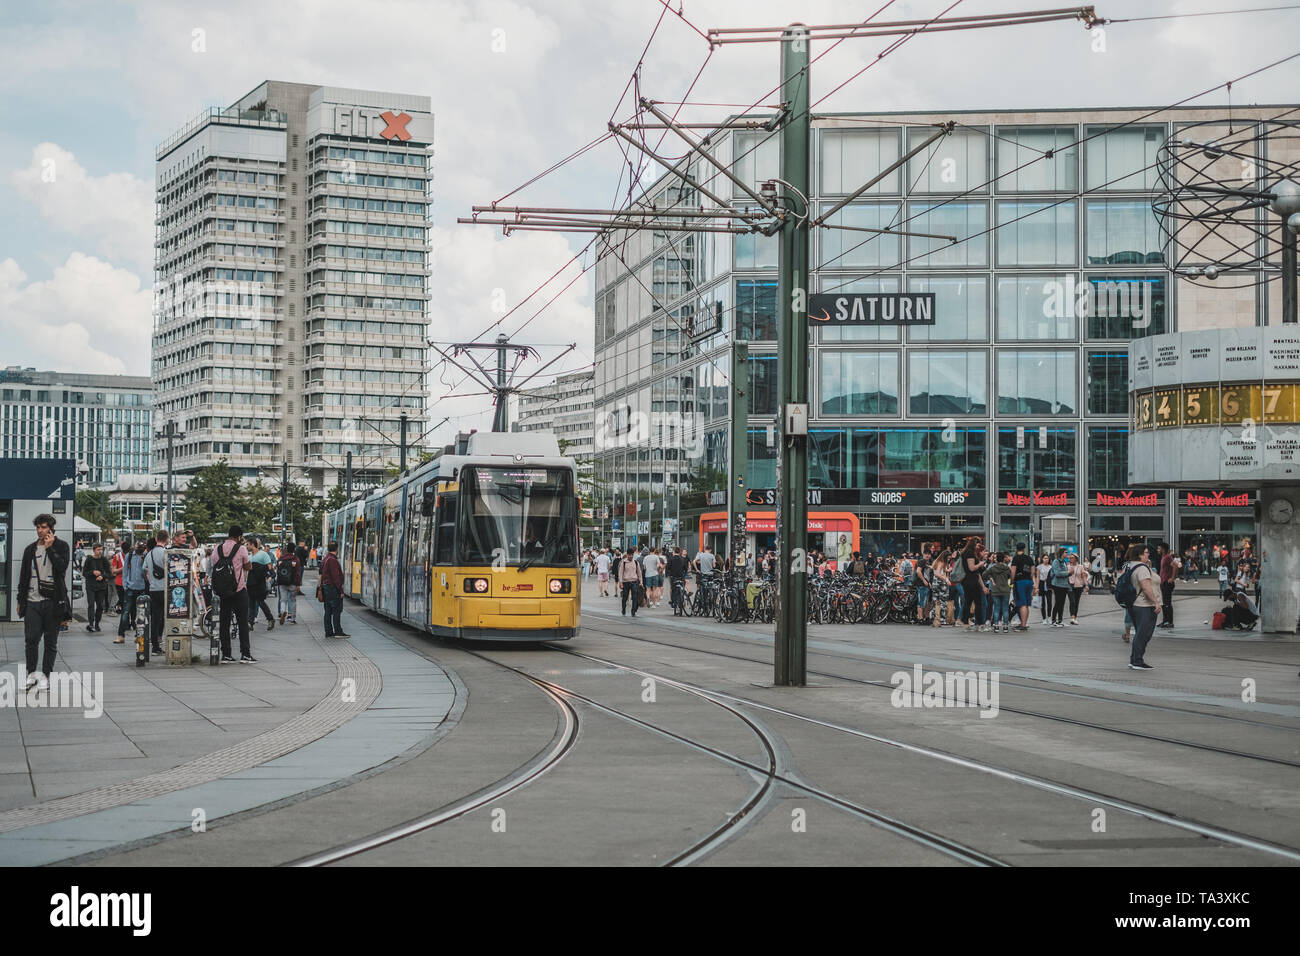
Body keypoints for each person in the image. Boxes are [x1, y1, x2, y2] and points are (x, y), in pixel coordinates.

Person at [17, 514, 71, 692]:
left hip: (52, 602)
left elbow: (62, 567)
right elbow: (24, 576)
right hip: (32, 601)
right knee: (31, 640)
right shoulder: (30, 549)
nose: (40, 530)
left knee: (50, 642)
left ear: (51, 528)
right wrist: (20, 600)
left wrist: (50, 548)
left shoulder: (62, 546)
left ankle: (46, 676)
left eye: (43, 527)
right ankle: (31, 675)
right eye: (38, 527)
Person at [213, 526, 255, 663]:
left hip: (223, 591)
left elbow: (212, 565)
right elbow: (249, 566)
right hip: (239, 590)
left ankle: (226, 654)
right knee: (242, 622)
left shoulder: (217, 549)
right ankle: (245, 654)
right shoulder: (241, 549)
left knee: (224, 623)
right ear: (239, 537)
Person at [1121, 543, 1161, 670]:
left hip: (1135, 604)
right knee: (1144, 634)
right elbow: (1145, 586)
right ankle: (1137, 661)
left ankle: (1135, 659)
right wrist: (1155, 602)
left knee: (1141, 633)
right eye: (1146, 552)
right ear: (1140, 554)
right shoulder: (1142, 568)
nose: (1148, 554)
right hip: (1145, 604)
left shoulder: (1131, 565)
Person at [116, 538, 148, 645]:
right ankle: (121, 635)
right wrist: (125, 585)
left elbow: (145, 573)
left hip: (141, 588)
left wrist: (144, 560)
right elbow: (125, 571)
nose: (141, 551)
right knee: (125, 612)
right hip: (130, 587)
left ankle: (138, 635)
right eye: (140, 549)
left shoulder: (145, 556)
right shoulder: (130, 555)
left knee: (140, 614)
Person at [145, 530, 169, 657]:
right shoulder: (166, 553)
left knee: (155, 617)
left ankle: (154, 645)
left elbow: (145, 570)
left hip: (153, 590)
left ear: (156, 538)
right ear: (167, 539)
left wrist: (151, 581)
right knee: (167, 617)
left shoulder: (149, 554)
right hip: (165, 589)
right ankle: (163, 640)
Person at [246, 538, 276, 631]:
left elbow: (270, 567)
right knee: (250, 603)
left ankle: (270, 618)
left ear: (252, 545)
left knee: (260, 602)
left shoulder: (263, 554)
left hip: (259, 582)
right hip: (250, 582)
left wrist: (270, 576)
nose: (246, 547)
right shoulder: (249, 556)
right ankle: (250, 623)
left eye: (248, 545)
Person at [320, 540, 348, 637]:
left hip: (326, 587)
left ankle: (328, 631)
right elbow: (336, 577)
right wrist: (340, 590)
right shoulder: (332, 560)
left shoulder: (325, 559)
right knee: (336, 610)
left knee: (328, 610)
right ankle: (338, 631)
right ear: (337, 549)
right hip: (332, 588)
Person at [82, 542, 112, 633]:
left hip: (101, 586)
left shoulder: (104, 560)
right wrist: (93, 572)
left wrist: (102, 576)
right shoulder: (89, 559)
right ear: (94, 550)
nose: (100, 551)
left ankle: (97, 624)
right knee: (91, 605)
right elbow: (84, 573)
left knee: (100, 606)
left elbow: (109, 573)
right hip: (90, 586)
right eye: (98, 550)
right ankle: (91, 624)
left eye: (101, 549)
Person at [1011, 543, 1035, 632]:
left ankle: (1023, 625)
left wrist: (1012, 581)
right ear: (1024, 549)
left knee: (1022, 604)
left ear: (1016, 549)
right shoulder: (1029, 558)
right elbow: (1033, 570)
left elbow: (1013, 571)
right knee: (1026, 604)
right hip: (1028, 581)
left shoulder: (1016, 558)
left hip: (1019, 581)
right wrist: (1029, 578)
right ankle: (1023, 623)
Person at [986, 552, 1012, 633]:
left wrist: (991, 578)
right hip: (1005, 590)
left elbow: (984, 574)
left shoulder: (993, 568)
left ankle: (996, 625)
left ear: (996, 559)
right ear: (1003, 559)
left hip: (995, 590)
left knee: (996, 608)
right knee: (1005, 609)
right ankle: (1005, 626)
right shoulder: (1007, 568)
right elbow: (1010, 576)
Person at [276, 543, 302, 625]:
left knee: (283, 600)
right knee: (293, 600)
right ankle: (293, 618)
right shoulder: (296, 559)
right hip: (293, 583)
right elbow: (298, 573)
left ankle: (283, 611)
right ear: (294, 549)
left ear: (287, 549)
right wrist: (298, 584)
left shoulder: (281, 558)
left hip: (282, 582)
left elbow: (278, 570)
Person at [1048, 548, 1071, 627]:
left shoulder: (1064, 562)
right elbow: (1057, 573)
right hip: (1057, 585)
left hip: (1064, 585)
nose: (1067, 554)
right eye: (1066, 552)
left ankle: (1060, 620)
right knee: (1058, 602)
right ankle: (1053, 620)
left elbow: (1065, 574)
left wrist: (1069, 574)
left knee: (1062, 603)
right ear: (1061, 553)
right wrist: (1068, 572)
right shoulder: (1056, 561)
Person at [618, 548, 644, 617]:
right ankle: (623, 609)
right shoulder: (623, 562)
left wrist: (641, 581)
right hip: (625, 582)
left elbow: (639, 572)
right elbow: (620, 573)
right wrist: (620, 582)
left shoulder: (636, 562)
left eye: (632, 555)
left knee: (635, 597)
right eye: (629, 555)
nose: (631, 556)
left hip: (634, 582)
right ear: (627, 555)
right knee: (625, 597)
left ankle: (633, 611)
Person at [1157, 544, 1178, 628]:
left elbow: (1175, 566)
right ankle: (1165, 621)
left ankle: (1170, 622)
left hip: (1167, 583)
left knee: (1167, 603)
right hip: (1163, 583)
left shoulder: (1168, 557)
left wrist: (1172, 578)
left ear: (1163, 549)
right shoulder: (1164, 557)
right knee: (1164, 603)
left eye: (1159, 548)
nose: (1157, 550)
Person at [931, 551, 953, 627]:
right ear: (945, 557)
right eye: (948, 557)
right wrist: (946, 579)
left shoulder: (936, 561)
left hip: (935, 583)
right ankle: (942, 619)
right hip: (941, 583)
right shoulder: (942, 562)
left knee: (935, 601)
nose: (949, 559)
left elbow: (937, 571)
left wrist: (947, 570)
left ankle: (935, 619)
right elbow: (937, 573)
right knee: (943, 601)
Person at [1067, 552, 1089, 625]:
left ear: (1076, 559)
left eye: (1072, 558)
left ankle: (1075, 617)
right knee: (1072, 601)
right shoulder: (1067, 566)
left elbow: (1084, 576)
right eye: (1070, 558)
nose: (1071, 559)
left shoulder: (1080, 566)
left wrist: (1086, 585)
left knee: (1076, 602)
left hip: (1079, 585)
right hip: (1069, 585)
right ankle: (1072, 617)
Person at [666, 546, 689, 614]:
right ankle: (683, 599)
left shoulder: (671, 559)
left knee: (673, 589)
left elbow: (668, 568)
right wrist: (683, 574)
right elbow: (685, 568)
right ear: (679, 552)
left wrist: (668, 574)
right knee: (682, 588)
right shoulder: (682, 559)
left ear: (674, 552)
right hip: (681, 577)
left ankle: (673, 602)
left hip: (673, 577)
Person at [1036, 552, 1053, 624]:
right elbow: (1038, 577)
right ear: (1042, 559)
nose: (1046, 559)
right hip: (1041, 583)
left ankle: (1049, 617)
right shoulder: (1039, 567)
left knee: (1049, 602)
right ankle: (1043, 618)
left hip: (1049, 584)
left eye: (1047, 558)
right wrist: (1036, 587)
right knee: (1042, 603)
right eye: (1044, 558)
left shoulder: (1051, 567)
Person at [110, 544, 125, 614]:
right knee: (120, 598)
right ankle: (115, 607)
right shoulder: (117, 557)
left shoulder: (132, 556)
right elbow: (114, 571)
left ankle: (116, 607)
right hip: (119, 582)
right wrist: (123, 568)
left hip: (128, 582)